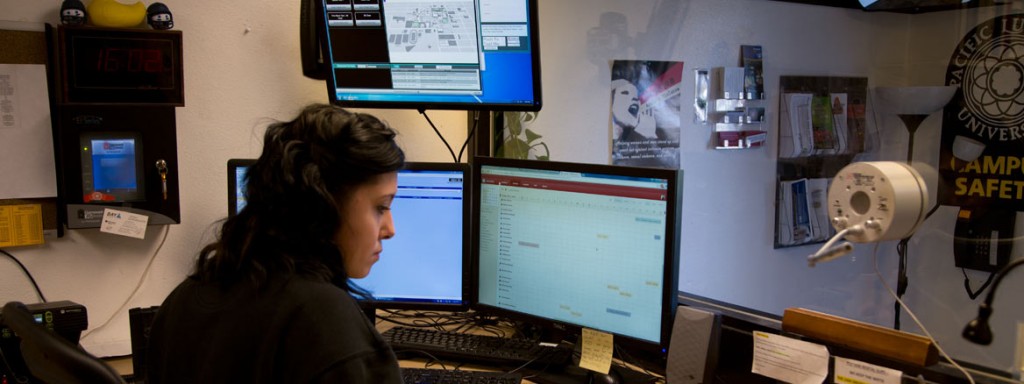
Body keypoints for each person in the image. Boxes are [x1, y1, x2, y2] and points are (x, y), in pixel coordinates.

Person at [146, 104, 405, 383]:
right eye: (381, 207)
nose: (390, 229)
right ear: (324, 206)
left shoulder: (182, 301)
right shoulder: (327, 323)